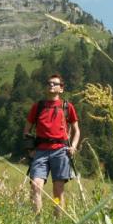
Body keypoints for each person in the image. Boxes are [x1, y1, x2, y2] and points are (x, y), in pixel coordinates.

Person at [23, 74, 80, 216]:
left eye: (55, 84)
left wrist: (73, 146)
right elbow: (26, 130)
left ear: (61, 89)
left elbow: (76, 130)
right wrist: (30, 150)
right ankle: (37, 221)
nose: (51, 85)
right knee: (35, 186)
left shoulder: (67, 107)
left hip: (61, 151)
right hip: (40, 151)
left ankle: (57, 223)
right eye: (49, 83)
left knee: (58, 189)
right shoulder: (38, 107)